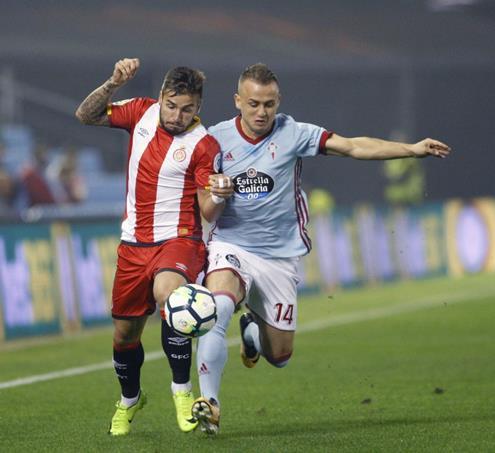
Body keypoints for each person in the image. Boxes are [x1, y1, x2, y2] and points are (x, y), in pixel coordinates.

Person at [189, 63, 451, 434]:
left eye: (269, 104)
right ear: (237, 101)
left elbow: (353, 146)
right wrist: (217, 193)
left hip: (280, 256)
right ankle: (210, 406)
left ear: (278, 101)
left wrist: (411, 149)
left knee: (279, 356)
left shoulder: (293, 132)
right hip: (232, 245)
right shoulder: (213, 141)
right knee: (218, 306)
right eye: (253, 104)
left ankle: (253, 336)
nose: (262, 112)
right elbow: (206, 209)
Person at [75, 58, 233, 436]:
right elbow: (85, 115)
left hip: (179, 239)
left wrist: (220, 194)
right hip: (133, 243)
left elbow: (206, 208)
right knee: (125, 334)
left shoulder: (203, 144)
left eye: (188, 109)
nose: (178, 116)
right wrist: (113, 82)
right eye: (172, 105)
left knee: (171, 296)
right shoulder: (140, 111)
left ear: (199, 108)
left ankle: (182, 392)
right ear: (161, 97)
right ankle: (129, 399)